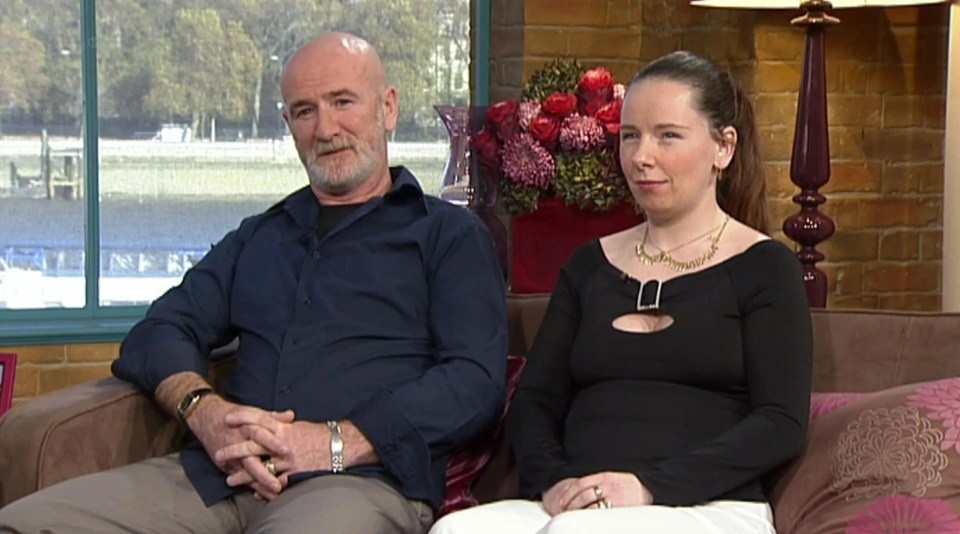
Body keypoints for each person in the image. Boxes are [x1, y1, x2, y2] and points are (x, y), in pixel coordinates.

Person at [0, 32, 507, 534]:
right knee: (22, 524)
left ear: (388, 107)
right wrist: (205, 412)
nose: (326, 128)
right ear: (289, 125)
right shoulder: (261, 236)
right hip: (217, 478)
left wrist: (331, 442)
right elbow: (157, 331)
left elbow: (473, 382)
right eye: (305, 111)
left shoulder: (448, 234)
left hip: (356, 483)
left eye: (342, 102)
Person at [430, 50, 813, 534]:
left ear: (724, 147)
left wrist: (647, 486)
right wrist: (557, 483)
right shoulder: (590, 265)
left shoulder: (765, 267)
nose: (641, 157)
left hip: (708, 504)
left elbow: (781, 422)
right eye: (630, 136)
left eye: (667, 136)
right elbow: (536, 401)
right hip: (578, 501)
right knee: (456, 531)